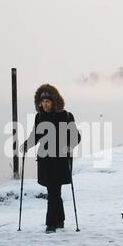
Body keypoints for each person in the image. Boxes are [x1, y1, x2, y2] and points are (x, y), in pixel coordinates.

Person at [21, 84, 81, 233]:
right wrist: (27, 144)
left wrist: (69, 146)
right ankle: (59, 220)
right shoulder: (39, 117)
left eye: (48, 101)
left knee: (53, 192)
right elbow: (36, 135)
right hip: (45, 160)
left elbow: (76, 137)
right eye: (43, 101)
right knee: (54, 191)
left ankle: (51, 224)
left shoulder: (66, 116)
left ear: (54, 102)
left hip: (60, 160)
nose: (45, 104)